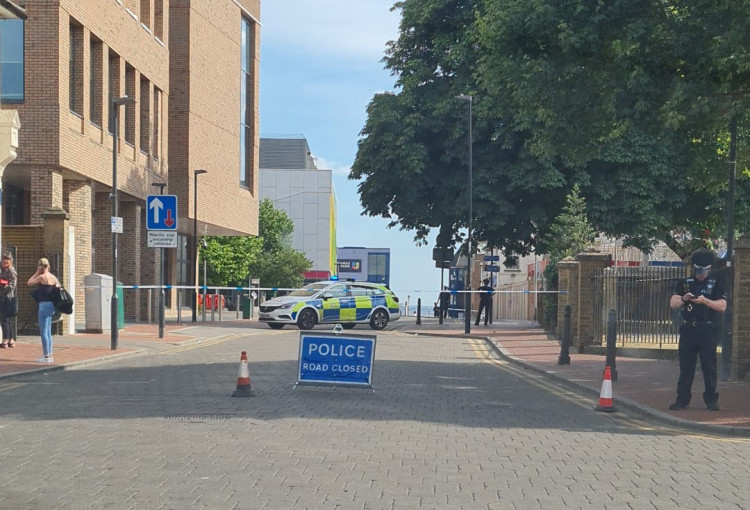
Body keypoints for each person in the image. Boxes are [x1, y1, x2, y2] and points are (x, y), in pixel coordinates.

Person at [668, 248, 726, 411]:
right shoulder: (685, 283)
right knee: (686, 367)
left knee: (709, 367)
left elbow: (722, 306)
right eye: (698, 270)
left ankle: (711, 401)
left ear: (709, 269)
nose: (700, 274)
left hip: (707, 330)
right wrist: (684, 298)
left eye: (703, 271)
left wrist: (706, 301)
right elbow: (673, 303)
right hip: (689, 331)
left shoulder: (716, 284)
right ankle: (682, 400)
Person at [27, 257, 60, 363]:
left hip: (43, 306)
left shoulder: (41, 277)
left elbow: (29, 282)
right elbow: (59, 287)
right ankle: (49, 355)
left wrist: (37, 272)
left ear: (40, 266)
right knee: (49, 331)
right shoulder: (53, 277)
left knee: (44, 331)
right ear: (48, 266)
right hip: (51, 305)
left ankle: (46, 356)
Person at [0, 252, 18, 348]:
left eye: (7, 259)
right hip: (4, 297)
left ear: (11, 261)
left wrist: (2, 286)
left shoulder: (11, 271)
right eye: (4, 259)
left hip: (8, 297)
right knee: (8, 320)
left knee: (5, 319)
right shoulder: (3, 270)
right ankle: (11, 340)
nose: (5, 261)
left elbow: (12, 285)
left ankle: (5, 340)